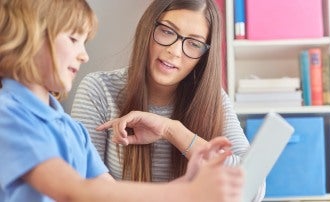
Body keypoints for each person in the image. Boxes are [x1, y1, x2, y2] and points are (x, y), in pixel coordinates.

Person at [0, 0, 244, 201]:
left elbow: (109, 192)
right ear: (30, 38)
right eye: (74, 40)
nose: (84, 55)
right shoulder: (10, 116)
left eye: (193, 43)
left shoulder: (71, 129)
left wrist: (187, 184)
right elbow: (74, 191)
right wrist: (185, 193)